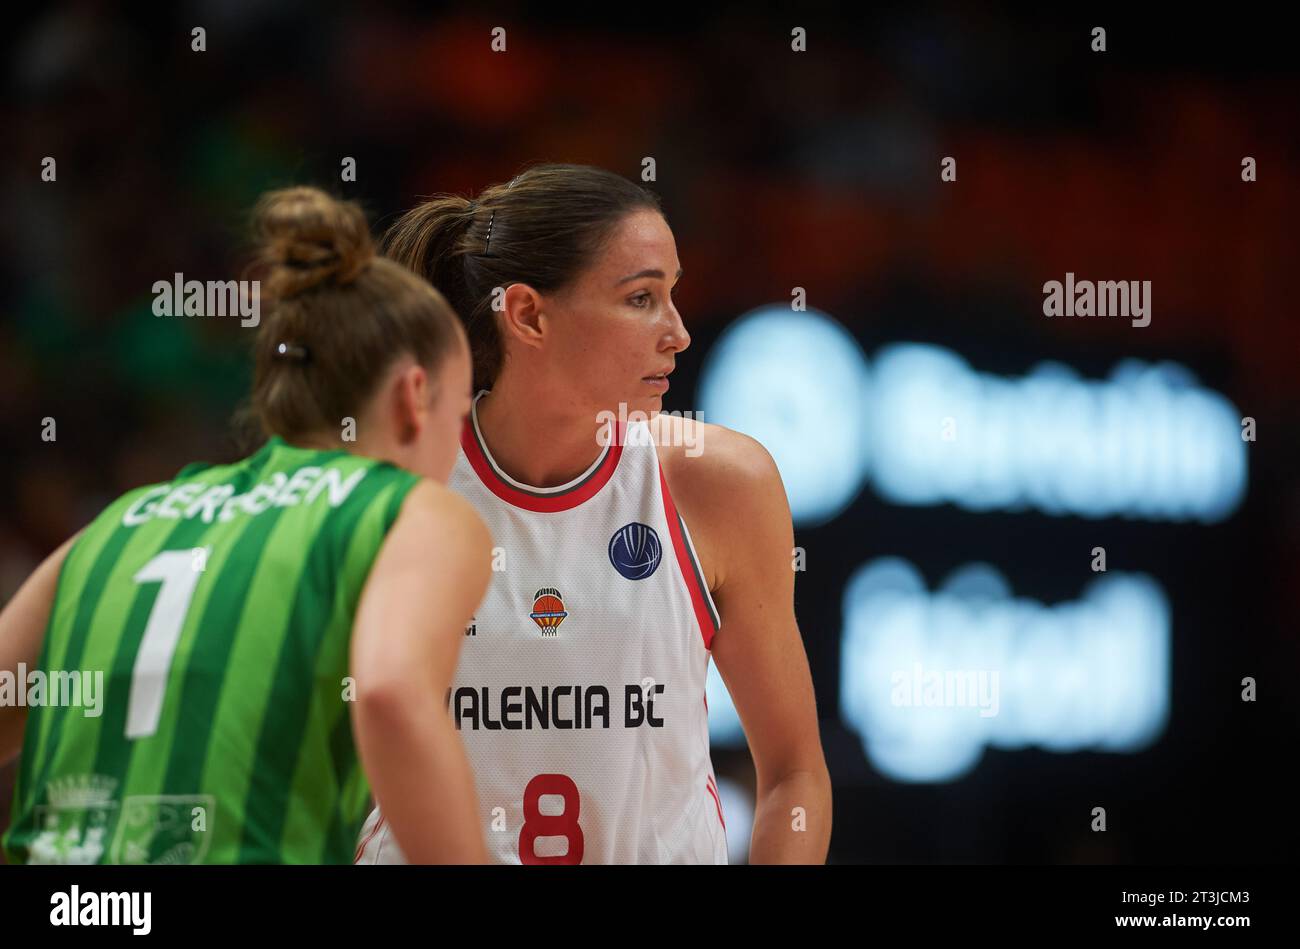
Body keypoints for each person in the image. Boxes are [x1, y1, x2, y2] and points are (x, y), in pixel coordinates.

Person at [356, 163, 831, 864]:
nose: (677, 332)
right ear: (527, 314)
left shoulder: (720, 482)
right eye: (641, 297)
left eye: (673, 295)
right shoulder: (392, 486)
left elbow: (794, 775)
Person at [1, 186, 490, 864]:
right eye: (458, 413)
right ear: (414, 398)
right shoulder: (408, 510)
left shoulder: (117, 523)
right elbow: (389, 692)